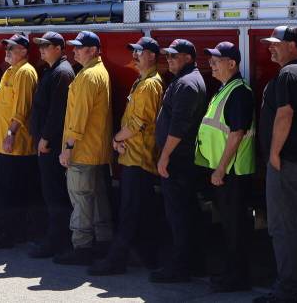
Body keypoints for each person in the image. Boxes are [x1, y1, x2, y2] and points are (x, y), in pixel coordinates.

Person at [89, 37, 164, 276]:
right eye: (134, 51)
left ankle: (116, 261)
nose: (135, 56)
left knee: (129, 212)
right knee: (142, 211)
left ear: (152, 55)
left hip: (138, 159)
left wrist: (117, 139)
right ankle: (148, 258)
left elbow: (138, 124)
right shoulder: (142, 82)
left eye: (139, 52)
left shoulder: (150, 85)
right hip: (132, 156)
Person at [256, 26, 297, 303]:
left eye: (276, 43)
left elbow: (285, 115)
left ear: (292, 45)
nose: (271, 47)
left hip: (287, 162)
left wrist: (274, 154)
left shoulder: (289, 74)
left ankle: (286, 290)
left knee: (282, 226)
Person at [196, 41, 256, 293]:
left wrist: (220, 169)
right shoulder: (226, 88)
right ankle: (231, 273)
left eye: (217, 60)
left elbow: (237, 133)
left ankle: (237, 278)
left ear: (232, 64)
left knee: (235, 229)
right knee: (229, 227)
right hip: (224, 172)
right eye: (211, 59)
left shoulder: (239, 92)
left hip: (233, 173)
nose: (212, 64)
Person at [151, 38, 208, 283]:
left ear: (189, 58)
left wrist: (164, 157)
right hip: (181, 160)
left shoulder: (187, 84)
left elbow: (178, 127)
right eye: (168, 56)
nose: (169, 59)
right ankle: (193, 263)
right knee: (186, 213)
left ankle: (181, 266)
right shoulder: (185, 80)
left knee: (179, 215)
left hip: (178, 161)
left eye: (175, 56)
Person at [0, 34, 40, 250]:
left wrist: (11, 134)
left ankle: (4, 234)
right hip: (4, 144)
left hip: (17, 146)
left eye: (13, 48)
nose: (8, 51)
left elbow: (22, 108)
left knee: (9, 192)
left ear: (24, 51)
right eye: (7, 48)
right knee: (8, 190)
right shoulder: (10, 71)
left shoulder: (25, 72)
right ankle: (15, 232)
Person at [55, 31, 113, 266]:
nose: (74, 51)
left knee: (81, 198)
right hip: (97, 150)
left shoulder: (88, 76)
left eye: (79, 47)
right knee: (98, 198)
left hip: (82, 150)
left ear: (92, 50)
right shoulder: (100, 72)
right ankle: (103, 242)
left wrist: (69, 146)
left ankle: (81, 247)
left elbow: (78, 117)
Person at [28, 31, 75, 259]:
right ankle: (54, 237)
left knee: (55, 193)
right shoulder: (53, 70)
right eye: (41, 46)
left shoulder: (62, 73)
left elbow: (58, 112)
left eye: (46, 45)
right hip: (47, 143)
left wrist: (45, 138)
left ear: (58, 47)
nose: (41, 49)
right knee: (50, 193)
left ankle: (57, 241)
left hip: (52, 145)